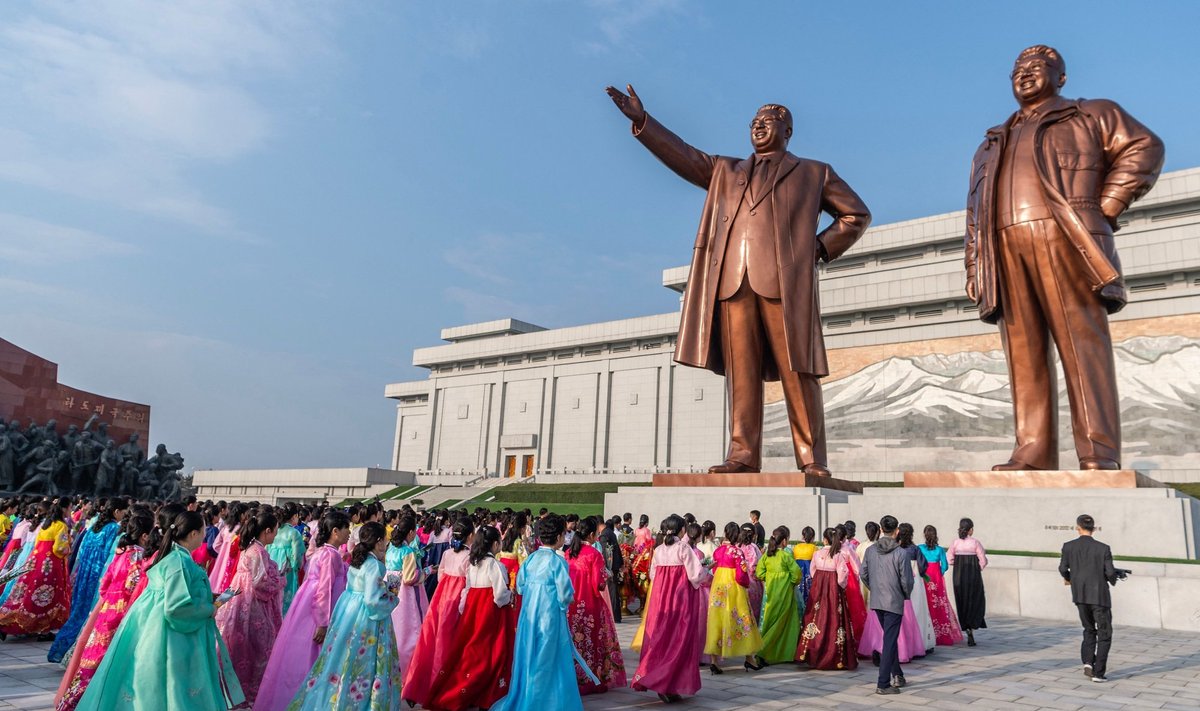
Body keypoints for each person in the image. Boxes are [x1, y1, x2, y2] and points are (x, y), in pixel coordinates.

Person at [605, 85, 871, 476]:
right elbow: (684, 156)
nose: (758, 127)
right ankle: (743, 453)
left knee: (799, 370)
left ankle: (812, 457)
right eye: (754, 122)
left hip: (784, 283)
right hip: (733, 283)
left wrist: (814, 250)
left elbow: (856, 215)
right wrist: (644, 122)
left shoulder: (815, 173)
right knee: (741, 374)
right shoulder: (726, 171)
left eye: (768, 122)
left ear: (787, 131)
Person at [964, 44, 1164, 472]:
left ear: (1062, 77)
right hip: (1004, 247)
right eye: (1017, 69)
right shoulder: (991, 142)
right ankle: (1032, 450)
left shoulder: (1090, 114)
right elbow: (974, 213)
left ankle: (1098, 452)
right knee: (1024, 353)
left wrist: (1106, 205)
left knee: (1082, 345)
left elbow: (1144, 147)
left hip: (1066, 238)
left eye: (1037, 67)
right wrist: (975, 265)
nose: (1025, 74)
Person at [75, 510, 245, 711]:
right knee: (170, 685)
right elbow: (176, 608)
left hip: (153, 625)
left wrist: (210, 597)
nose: (205, 535)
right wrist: (210, 608)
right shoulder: (179, 562)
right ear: (192, 534)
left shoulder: (175, 557)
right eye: (203, 531)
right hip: (172, 635)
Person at [287, 521, 401, 711]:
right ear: (379, 541)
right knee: (365, 662)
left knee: (340, 656)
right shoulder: (374, 565)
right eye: (385, 540)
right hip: (366, 617)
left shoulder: (358, 560)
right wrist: (392, 597)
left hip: (348, 611)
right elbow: (373, 601)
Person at [493, 514, 595, 711]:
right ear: (558, 537)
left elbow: (520, 587)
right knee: (550, 659)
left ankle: (527, 696)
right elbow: (565, 594)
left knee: (529, 656)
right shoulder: (558, 562)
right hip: (549, 619)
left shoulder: (530, 560)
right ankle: (547, 702)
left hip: (528, 618)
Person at [54, 511, 154, 711]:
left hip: (106, 609)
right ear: (144, 536)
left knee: (93, 655)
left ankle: (74, 699)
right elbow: (134, 588)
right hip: (121, 613)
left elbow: (105, 583)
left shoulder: (121, 552)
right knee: (109, 659)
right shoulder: (138, 557)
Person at [254, 510, 351, 711]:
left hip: (305, 606)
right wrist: (323, 622)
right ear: (335, 531)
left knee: (296, 655)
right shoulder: (331, 556)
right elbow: (324, 590)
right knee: (312, 656)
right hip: (317, 612)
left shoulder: (321, 552)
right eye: (346, 528)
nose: (349, 533)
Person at [424, 524, 515, 711]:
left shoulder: (474, 563)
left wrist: (463, 609)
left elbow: (467, 590)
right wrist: (510, 595)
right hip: (491, 614)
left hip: (473, 612)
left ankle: (467, 692)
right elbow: (499, 597)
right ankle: (487, 694)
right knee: (493, 655)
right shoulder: (495, 565)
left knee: (470, 653)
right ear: (496, 544)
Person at [631, 515, 711, 704]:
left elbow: (652, 574)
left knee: (662, 639)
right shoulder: (684, 548)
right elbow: (696, 575)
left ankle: (663, 681)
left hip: (661, 601)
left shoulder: (658, 550)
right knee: (679, 640)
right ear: (681, 530)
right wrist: (709, 574)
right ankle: (669, 682)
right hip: (681, 600)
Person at [401, 517, 473, 709]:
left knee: (432, 639)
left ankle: (421, 683)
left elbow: (441, 574)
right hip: (456, 598)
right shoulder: (470, 556)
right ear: (471, 536)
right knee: (450, 643)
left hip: (442, 598)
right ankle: (444, 686)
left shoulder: (448, 553)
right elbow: (469, 583)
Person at [216, 508, 284, 706]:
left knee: (240, 642)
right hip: (251, 601)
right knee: (257, 646)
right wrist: (280, 581)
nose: (276, 534)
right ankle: (249, 692)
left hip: (239, 597)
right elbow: (260, 583)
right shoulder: (258, 551)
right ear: (267, 531)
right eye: (275, 530)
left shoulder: (251, 547)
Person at [48, 498, 128, 662]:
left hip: (84, 573)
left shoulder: (94, 527)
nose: (125, 514)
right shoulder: (113, 528)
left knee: (77, 612)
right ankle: (74, 655)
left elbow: (82, 550)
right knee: (87, 615)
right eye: (124, 511)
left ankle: (60, 650)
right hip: (96, 576)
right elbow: (108, 555)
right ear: (117, 512)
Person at [564, 517, 626, 695]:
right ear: (591, 535)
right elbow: (598, 583)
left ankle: (575, 678)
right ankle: (593, 678)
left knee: (576, 642)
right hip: (590, 604)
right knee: (593, 642)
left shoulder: (569, 553)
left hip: (571, 604)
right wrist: (606, 576)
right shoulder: (593, 554)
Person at [1059, 514, 1120, 683]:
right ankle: (1099, 673)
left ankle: (1088, 662)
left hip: (1079, 595)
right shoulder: (1103, 548)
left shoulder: (1068, 546)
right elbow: (1109, 572)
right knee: (1105, 633)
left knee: (1088, 629)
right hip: (1099, 597)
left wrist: (1071, 579)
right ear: (1093, 528)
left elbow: (1063, 568)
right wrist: (1114, 579)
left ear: (1078, 527)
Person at [0, 500, 71, 638]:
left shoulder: (44, 525)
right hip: (51, 564)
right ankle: (45, 627)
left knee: (28, 592)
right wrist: (68, 548)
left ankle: (7, 621)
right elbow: (59, 548)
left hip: (35, 561)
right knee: (50, 595)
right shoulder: (61, 525)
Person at [861, 515, 913, 696]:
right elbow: (907, 580)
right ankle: (883, 683)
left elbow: (864, 574)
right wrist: (904, 595)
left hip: (878, 600)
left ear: (881, 529)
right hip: (893, 600)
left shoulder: (870, 551)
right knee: (890, 640)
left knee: (890, 639)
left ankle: (897, 674)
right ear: (896, 531)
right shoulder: (901, 553)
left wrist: (874, 588)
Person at [705, 522, 764, 673]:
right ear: (736, 534)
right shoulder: (737, 552)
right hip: (734, 589)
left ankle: (714, 661)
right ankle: (749, 657)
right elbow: (742, 575)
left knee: (717, 620)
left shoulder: (718, 551)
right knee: (744, 618)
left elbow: (715, 569)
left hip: (718, 588)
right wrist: (745, 585)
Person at [795, 527, 856, 671]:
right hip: (833, 589)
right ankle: (834, 655)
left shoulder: (817, 554)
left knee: (815, 617)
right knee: (834, 617)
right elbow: (842, 577)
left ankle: (811, 652)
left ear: (824, 540)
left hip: (818, 588)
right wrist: (841, 586)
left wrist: (819, 581)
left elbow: (812, 571)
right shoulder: (838, 555)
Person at [385, 516, 427, 681]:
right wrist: (426, 572)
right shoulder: (407, 551)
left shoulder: (392, 548)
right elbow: (410, 578)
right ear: (410, 532)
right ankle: (410, 669)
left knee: (395, 624)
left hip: (391, 586)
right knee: (411, 627)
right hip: (406, 592)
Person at [754, 525, 802, 664]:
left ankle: (765, 650)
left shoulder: (766, 556)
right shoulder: (785, 556)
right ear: (785, 541)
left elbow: (759, 572)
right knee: (787, 623)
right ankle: (782, 652)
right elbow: (796, 574)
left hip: (770, 593)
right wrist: (790, 582)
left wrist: (769, 578)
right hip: (786, 593)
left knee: (770, 621)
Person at [918, 525, 963, 647]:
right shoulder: (939, 550)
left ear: (924, 535)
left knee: (926, 604)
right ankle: (941, 635)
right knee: (939, 605)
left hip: (925, 578)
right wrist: (939, 572)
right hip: (936, 579)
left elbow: (918, 563)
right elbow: (945, 565)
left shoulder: (920, 548)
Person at [947, 517, 988, 646]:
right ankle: (973, 624)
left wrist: (957, 564)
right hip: (973, 575)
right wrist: (978, 568)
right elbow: (983, 560)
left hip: (959, 575)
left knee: (962, 600)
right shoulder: (975, 543)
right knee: (975, 599)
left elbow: (949, 559)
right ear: (970, 530)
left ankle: (966, 626)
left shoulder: (955, 543)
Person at [266, 503, 306, 616]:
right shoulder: (294, 533)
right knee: (286, 596)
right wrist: (297, 567)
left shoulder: (275, 530)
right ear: (294, 516)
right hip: (287, 569)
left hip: (272, 567)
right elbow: (298, 555)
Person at [597, 515, 624, 623]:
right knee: (614, 591)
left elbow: (606, 553)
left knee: (611, 591)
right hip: (615, 565)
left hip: (610, 566)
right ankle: (616, 615)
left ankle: (613, 615)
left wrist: (606, 568)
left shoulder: (604, 535)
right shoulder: (610, 532)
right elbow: (617, 549)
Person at [791, 526, 817, 610]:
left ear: (803, 535)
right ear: (813, 537)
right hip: (809, 573)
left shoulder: (796, 547)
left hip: (798, 572)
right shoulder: (814, 548)